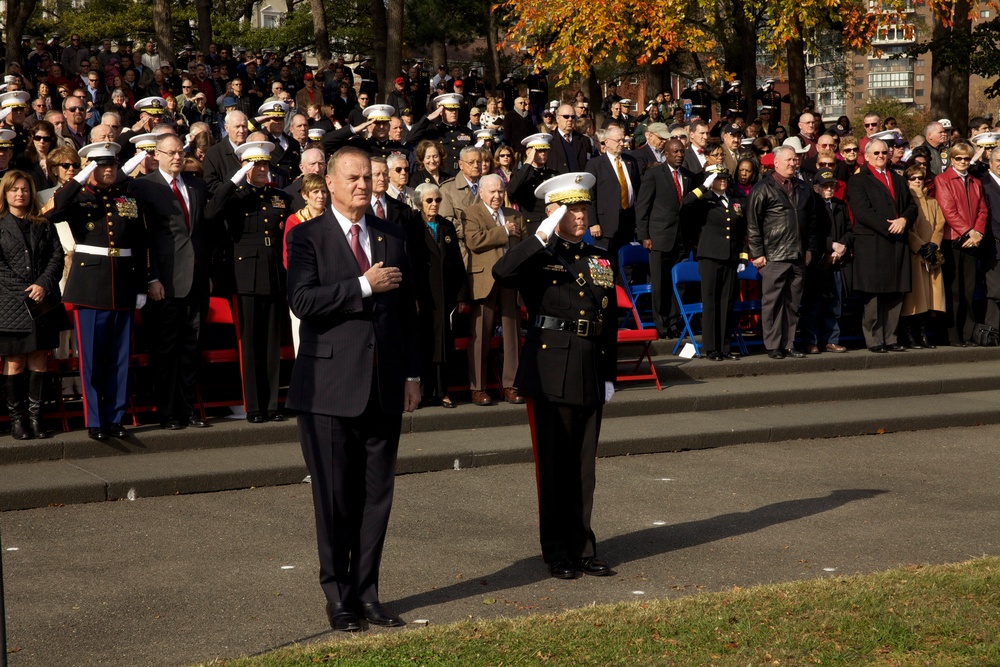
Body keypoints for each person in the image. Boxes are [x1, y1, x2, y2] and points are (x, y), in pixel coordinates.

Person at [286, 147, 419, 632]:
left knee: (376, 497)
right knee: (335, 498)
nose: (363, 184)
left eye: (368, 176)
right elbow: (302, 301)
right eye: (354, 177)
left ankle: (368, 594)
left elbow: (408, 313)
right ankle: (338, 596)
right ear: (332, 183)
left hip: (384, 386)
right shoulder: (307, 237)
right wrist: (362, 286)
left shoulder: (392, 236)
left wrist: (412, 375)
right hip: (328, 389)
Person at [492, 172, 617, 580]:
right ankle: (558, 551)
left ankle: (583, 546)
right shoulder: (538, 256)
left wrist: (610, 373)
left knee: (584, 468)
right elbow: (501, 273)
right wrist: (537, 238)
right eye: (571, 209)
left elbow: (608, 320)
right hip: (550, 369)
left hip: (589, 365)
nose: (580, 216)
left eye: (583, 208)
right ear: (552, 213)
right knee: (554, 466)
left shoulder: (599, 256)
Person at [43, 141, 148, 441]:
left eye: (112, 165)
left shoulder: (126, 197)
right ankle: (95, 420)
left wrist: (141, 284)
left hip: (124, 283)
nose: (109, 170)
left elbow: (139, 244)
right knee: (92, 357)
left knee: (119, 357)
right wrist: (78, 178)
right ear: (90, 167)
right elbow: (51, 212)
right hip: (89, 285)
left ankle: (116, 417)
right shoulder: (78, 197)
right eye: (101, 165)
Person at [205, 140, 291, 423]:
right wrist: (235, 180)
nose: (263, 169)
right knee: (251, 344)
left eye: (265, 164)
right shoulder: (235, 195)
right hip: (246, 277)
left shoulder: (278, 196)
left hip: (274, 274)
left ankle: (272, 404)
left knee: (271, 345)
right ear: (245, 167)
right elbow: (211, 212)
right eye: (257, 165)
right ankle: (254, 406)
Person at [130, 133, 211, 429]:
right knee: (165, 349)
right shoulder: (143, 187)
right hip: (164, 281)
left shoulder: (196, 185)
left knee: (191, 348)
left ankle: (187, 409)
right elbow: (143, 237)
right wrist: (150, 277)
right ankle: (167, 412)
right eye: (172, 152)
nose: (177, 157)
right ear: (158, 155)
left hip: (196, 279)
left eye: (181, 152)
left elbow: (200, 234)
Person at [0, 171, 70, 440]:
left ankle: (35, 418)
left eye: (25, 189)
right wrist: (25, 290)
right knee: (15, 362)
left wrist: (43, 284)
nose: (21, 194)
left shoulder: (42, 223)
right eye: (15, 189)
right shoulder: (1, 223)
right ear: (6, 193)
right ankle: (17, 421)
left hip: (43, 302)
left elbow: (57, 254)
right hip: (12, 305)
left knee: (40, 360)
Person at [846, 139, 917, 353]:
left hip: (897, 242)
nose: (880, 156)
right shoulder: (858, 181)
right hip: (873, 242)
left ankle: (891, 337)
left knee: (896, 291)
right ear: (866, 156)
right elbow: (862, 212)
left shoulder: (897, 178)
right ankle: (874, 339)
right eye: (875, 152)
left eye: (884, 152)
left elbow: (912, 206)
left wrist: (904, 220)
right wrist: (889, 226)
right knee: (874, 293)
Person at [461, 173, 525, 406]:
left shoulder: (514, 215)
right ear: (481, 192)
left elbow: (524, 247)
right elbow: (474, 241)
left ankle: (511, 385)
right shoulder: (471, 213)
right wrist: (505, 232)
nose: (497, 195)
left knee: (512, 335)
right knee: (480, 336)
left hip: (510, 281)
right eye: (492, 191)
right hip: (484, 281)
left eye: (500, 191)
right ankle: (478, 388)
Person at [747, 145, 817, 359]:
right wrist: (757, 253)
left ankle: (788, 343)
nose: (792, 163)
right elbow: (753, 224)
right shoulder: (763, 188)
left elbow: (812, 222)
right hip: (774, 255)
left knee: (792, 304)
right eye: (788, 160)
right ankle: (773, 345)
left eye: (795, 160)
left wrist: (809, 249)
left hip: (798, 255)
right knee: (773, 303)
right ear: (775, 162)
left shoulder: (804, 188)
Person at [404, 182, 467, 407]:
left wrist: (460, 296)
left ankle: (443, 391)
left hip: (445, 295)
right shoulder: (411, 226)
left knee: (443, 344)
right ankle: (422, 391)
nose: (434, 204)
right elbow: (407, 263)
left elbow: (458, 264)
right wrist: (411, 295)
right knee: (423, 343)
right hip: (423, 295)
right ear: (420, 202)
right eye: (429, 200)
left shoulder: (446, 226)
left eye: (438, 200)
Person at [681, 164, 747, 360]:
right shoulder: (704, 201)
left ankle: (725, 346)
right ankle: (711, 348)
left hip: (730, 256)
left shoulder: (734, 201)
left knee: (727, 301)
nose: (723, 181)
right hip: (710, 256)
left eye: (725, 178)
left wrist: (742, 255)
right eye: (718, 178)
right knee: (711, 302)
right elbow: (686, 204)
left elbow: (741, 230)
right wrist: (703, 187)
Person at [636, 138, 698, 338]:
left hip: (681, 239)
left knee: (677, 285)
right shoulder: (654, 174)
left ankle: (674, 323)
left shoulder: (688, 176)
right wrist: (644, 235)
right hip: (659, 238)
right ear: (666, 154)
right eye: (676, 152)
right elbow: (643, 207)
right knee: (660, 284)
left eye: (682, 152)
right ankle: (661, 325)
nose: (680, 155)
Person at [934, 142, 987, 346]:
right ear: (952, 159)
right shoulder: (943, 179)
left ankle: (968, 333)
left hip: (973, 241)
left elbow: (982, 210)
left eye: (966, 159)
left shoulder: (975, 181)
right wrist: (968, 231)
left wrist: (978, 233)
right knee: (954, 289)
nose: (963, 162)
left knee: (969, 288)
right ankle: (952, 334)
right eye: (959, 158)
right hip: (953, 240)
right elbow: (949, 210)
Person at [800, 170, 852, 354]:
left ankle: (831, 339)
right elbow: (810, 233)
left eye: (832, 186)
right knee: (814, 304)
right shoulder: (812, 206)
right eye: (825, 186)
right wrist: (831, 244)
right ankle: (811, 340)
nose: (829, 189)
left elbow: (849, 229)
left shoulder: (840, 205)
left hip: (836, 261)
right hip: (817, 261)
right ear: (816, 188)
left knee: (835, 304)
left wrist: (843, 245)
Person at [899, 165, 945, 347]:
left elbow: (940, 225)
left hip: (931, 255)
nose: (917, 181)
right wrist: (919, 245)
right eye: (912, 178)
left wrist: (934, 244)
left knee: (929, 297)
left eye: (920, 177)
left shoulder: (932, 202)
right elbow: (906, 228)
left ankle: (923, 332)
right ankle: (909, 333)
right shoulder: (905, 200)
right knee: (914, 299)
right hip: (914, 254)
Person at [585, 123, 641, 261]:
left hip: (628, 222)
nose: (622, 144)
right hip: (605, 225)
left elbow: (637, 190)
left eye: (623, 140)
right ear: (607, 142)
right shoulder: (595, 164)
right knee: (605, 263)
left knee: (627, 262)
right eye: (618, 141)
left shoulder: (631, 161)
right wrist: (593, 223)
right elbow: (589, 195)